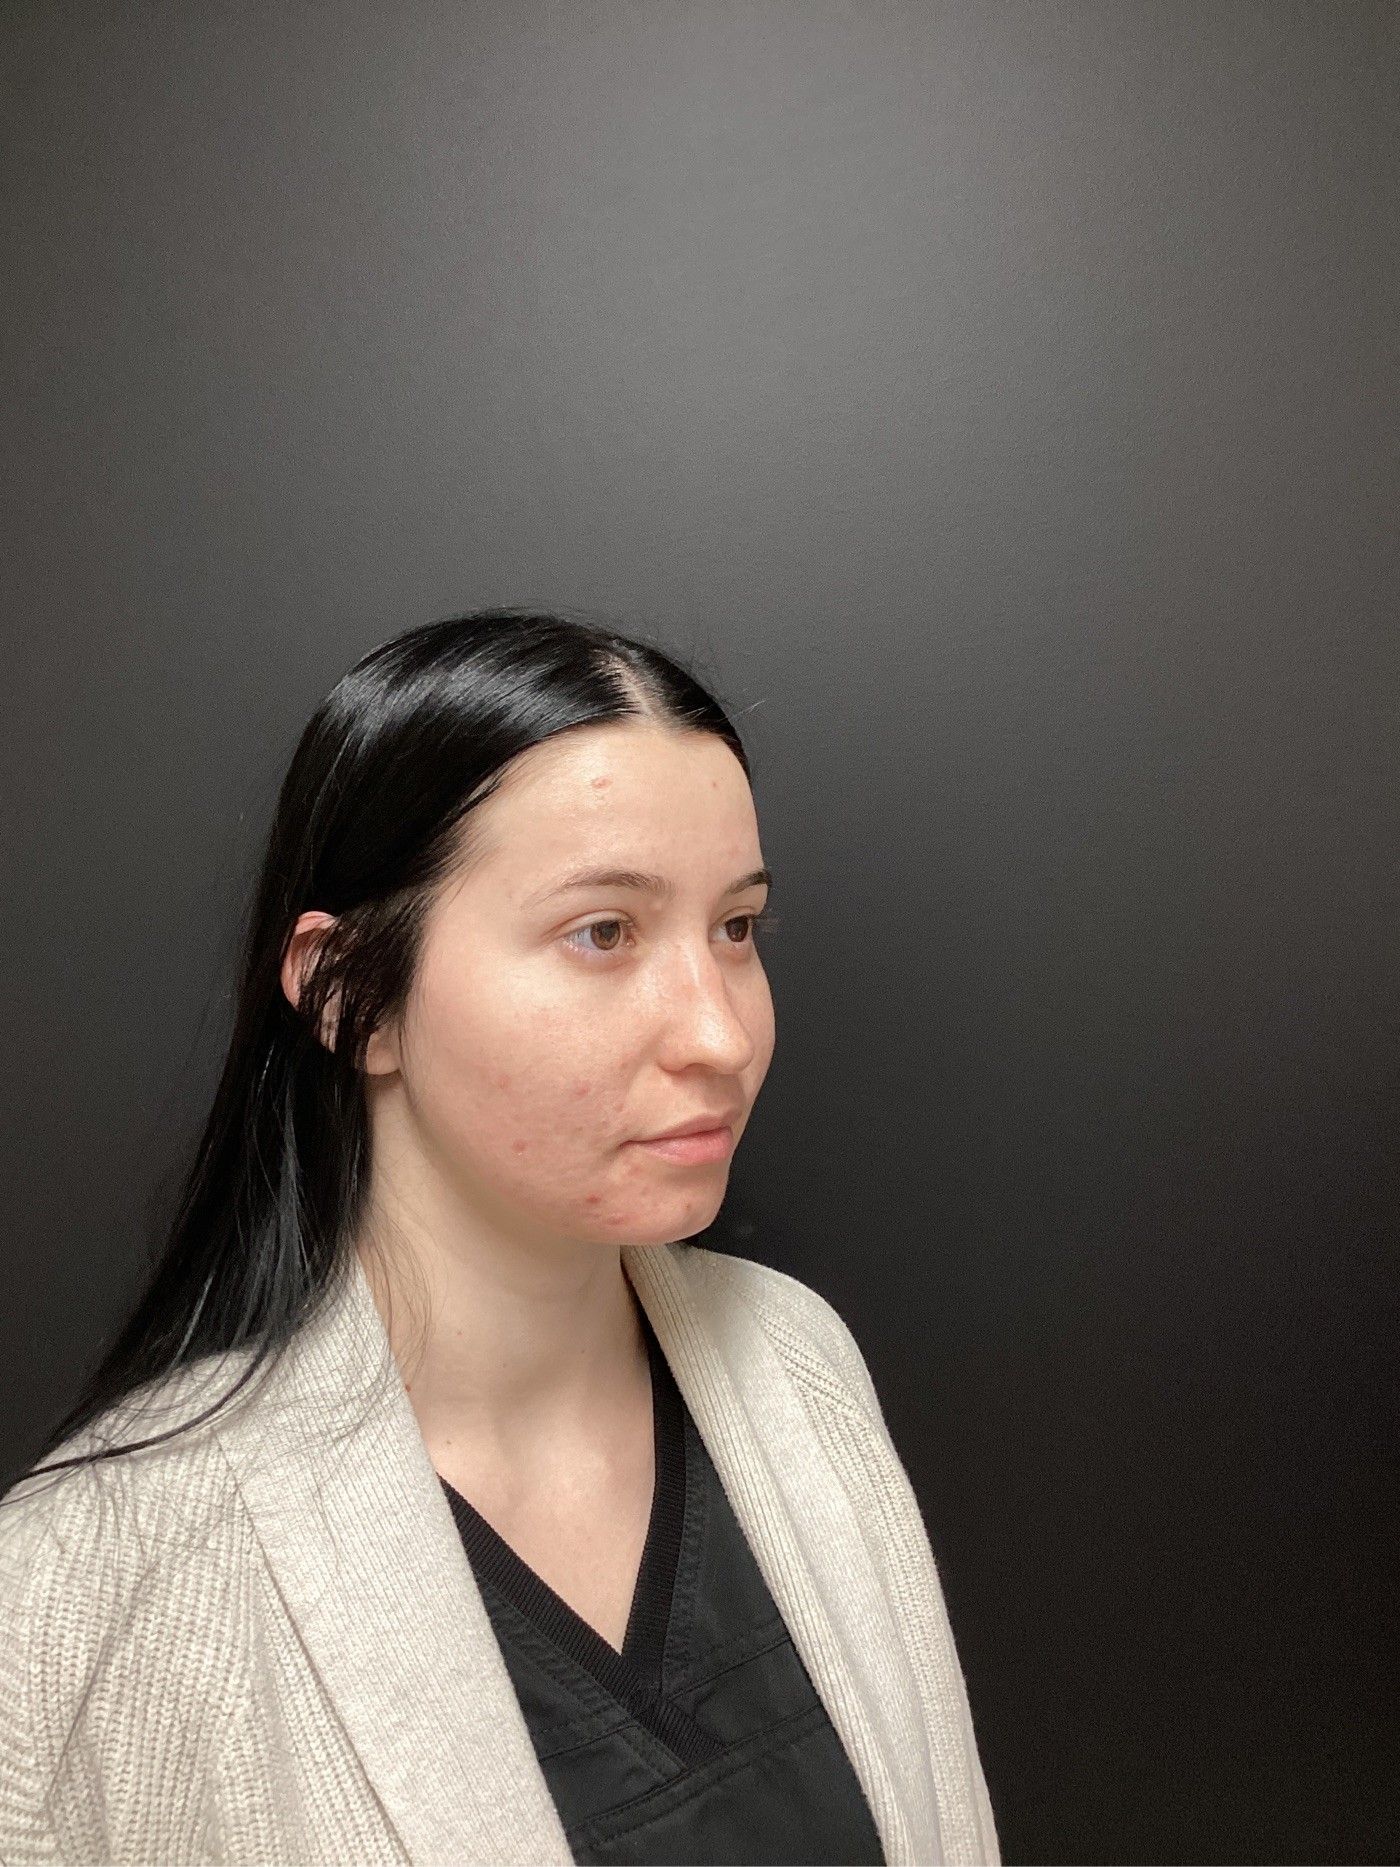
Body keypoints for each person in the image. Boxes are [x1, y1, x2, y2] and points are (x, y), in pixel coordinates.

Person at [0, 608, 999, 1866]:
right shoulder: (85, 1596)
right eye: (604, 931)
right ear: (345, 989)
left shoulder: (797, 1366)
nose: (721, 1034)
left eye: (735, 928)